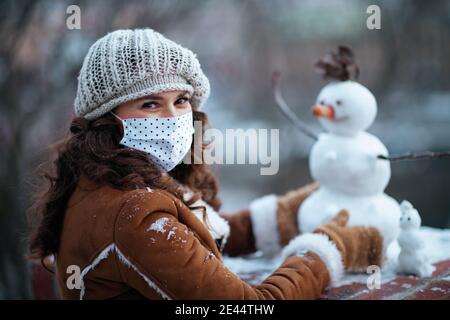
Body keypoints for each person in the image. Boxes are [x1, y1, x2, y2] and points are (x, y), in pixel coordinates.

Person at [28, 29, 383, 300]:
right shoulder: (132, 213)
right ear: (106, 119)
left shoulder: (113, 181)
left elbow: (193, 241)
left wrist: (292, 210)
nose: (172, 117)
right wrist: (327, 248)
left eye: (181, 100)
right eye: (150, 104)